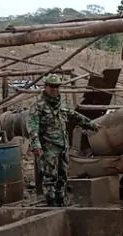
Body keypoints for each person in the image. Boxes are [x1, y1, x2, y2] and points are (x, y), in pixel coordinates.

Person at [28, 74, 100, 206]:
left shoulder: (62, 106)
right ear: (46, 87)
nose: (55, 89)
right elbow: (33, 128)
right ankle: (51, 204)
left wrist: (92, 125)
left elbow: (76, 117)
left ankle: (61, 202)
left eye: (57, 87)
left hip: (62, 147)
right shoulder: (38, 107)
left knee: (63, 176)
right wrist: (36, 146)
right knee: (50, 177)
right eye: (52, 86)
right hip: (48, 148)